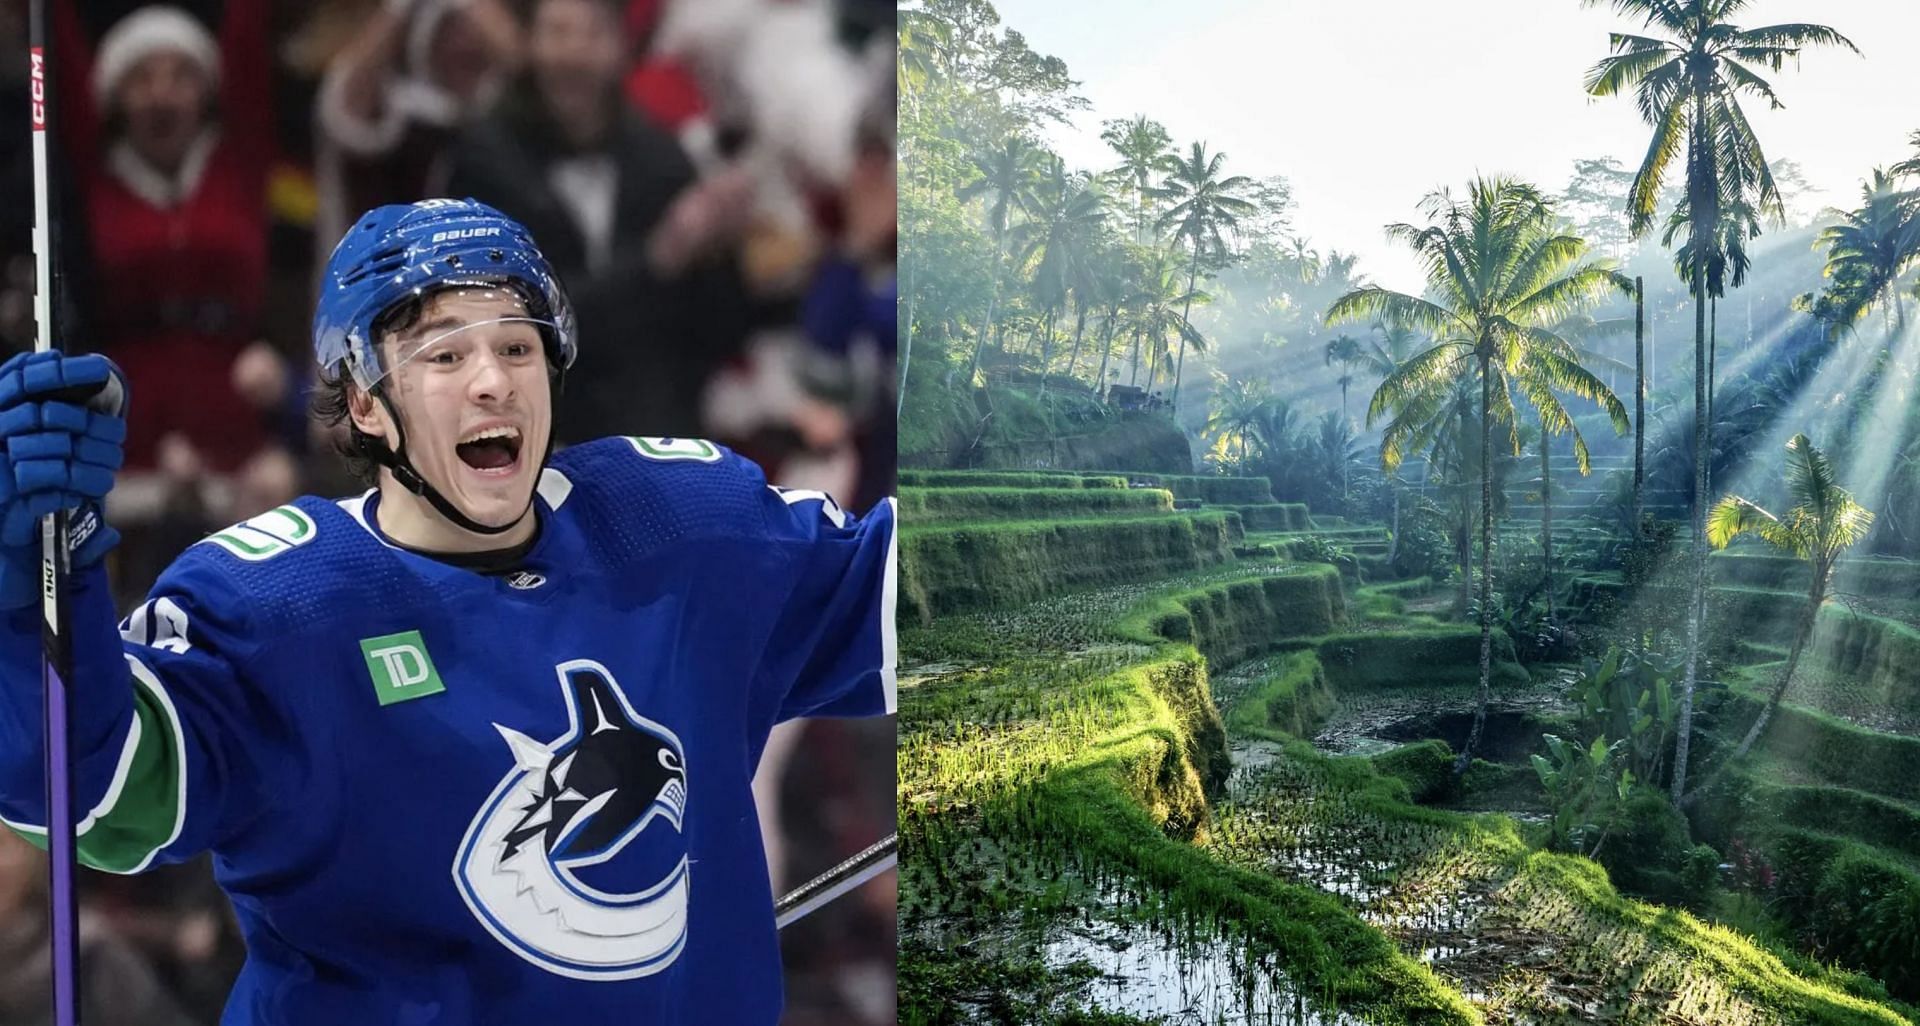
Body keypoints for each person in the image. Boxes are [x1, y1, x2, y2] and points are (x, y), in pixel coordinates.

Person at [0, 198, 897, 1024]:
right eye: (443, 353)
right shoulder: (276, 606)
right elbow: (88, 797)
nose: (492, 382)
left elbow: (928, 598)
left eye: (516, 346)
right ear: (365, 404)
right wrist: (35, 574)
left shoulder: (684, 525)